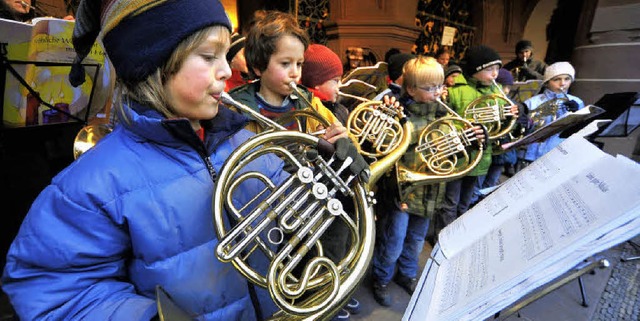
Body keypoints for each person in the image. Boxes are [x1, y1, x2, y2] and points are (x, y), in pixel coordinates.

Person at [1, 1, 368, 320]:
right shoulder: (92, 184)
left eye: (225, 56)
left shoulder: (249, 140)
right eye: (209, 57)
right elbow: (53, 290)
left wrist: (332, 184)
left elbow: (295, 233)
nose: (226, 71)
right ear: (154, 65)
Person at [371, 56, 485, 307]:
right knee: (394, 240)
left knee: (415, 240)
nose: (436, 92)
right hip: (401, 192)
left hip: (430, 190)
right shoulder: (399, 112)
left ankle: (407, 274)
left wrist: (473, 138)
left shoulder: (445, 114)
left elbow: (454, 152)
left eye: (439, 86)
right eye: (429, 87)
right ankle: (381, 277)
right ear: (411, 89)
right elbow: (381, 147)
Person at [300, 43, 362, 320]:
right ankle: (322, 299)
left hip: (343, 195)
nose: (340, 86)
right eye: (335, 80)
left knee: (342, 248)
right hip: (321, 199)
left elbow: (354, 148)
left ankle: (336, 293)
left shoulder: (339, 109)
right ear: (314, 83)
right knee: (321, 253)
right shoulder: (311, 113)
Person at [436, 45, 518, 232]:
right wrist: (466, 131)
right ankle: (443, 234)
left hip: (481, 156)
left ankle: (459, 232)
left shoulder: (495, 94)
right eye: (490, 70)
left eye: (497, 69)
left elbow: (500, 125)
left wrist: (510, 114)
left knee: (467, 200)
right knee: (450, 200)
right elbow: (445, 121)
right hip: (458, 155)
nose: (495, 74)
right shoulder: (455, 90)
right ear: (475, 70)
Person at [228, 11, 345, 141]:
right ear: (258, 66)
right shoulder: (235, 110)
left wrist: (337, 139)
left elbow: (348, 143)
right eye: (285, 64)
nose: (295, 73)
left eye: (299, 64)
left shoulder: (310, 104)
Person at [522, 61, 584, 163]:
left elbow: (579, 131)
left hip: (560, 154)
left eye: (567, 79)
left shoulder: (578, 102)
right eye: (557, 79)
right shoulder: (532, 102)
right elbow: (524, 132)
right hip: (532, 154)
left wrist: (577, 114)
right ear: (547, 82)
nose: (562, 83)